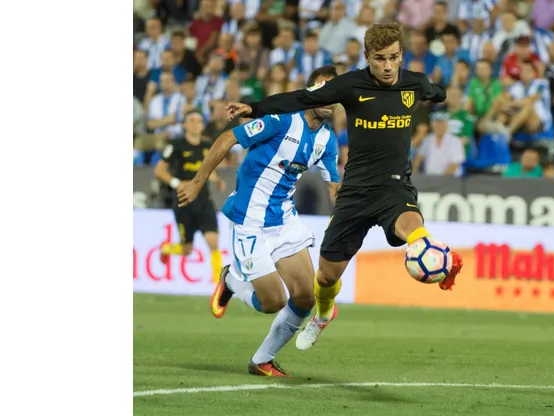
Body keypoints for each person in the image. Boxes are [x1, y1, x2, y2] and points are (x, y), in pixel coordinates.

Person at [215, 23, 464, 351]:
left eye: (394, 58)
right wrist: (255, 108)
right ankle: (323, 315)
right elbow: (302, 98)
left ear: (401, 54)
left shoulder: (415, 84)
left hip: (393, 188)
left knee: (413, 226)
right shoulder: (350, 85)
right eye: (380, 59)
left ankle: (432, 251)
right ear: (367, 57)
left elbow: (438, 92)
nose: (388, 66)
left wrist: (444, 93)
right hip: (354, 193)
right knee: (326, 277)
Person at [176, 66, 342, 377]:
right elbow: (229, 137)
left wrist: (349, 212)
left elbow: (334, 187)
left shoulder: (327, 140)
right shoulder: (282, 120)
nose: (330, 99)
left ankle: (262, 360)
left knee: (305, 297)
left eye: (336, 94)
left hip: (284, 220)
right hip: (250, 220)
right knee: (272, 302)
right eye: (324, 91)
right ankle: (231, 280)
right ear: (309, 93)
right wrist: (198, 182)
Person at [154, 112, 227, 282]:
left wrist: (217, 180)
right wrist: (177, 183)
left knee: (213, 242)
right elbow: (159, 170)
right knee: (187, 249)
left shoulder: (207, 145)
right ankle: (166, 249)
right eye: (192, 120)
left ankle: (218, 285)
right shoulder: (176, 146)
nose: (196, 124)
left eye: (199, 121)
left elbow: (208, 169)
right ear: (185, 125)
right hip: (183, 201)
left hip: (204, 201)